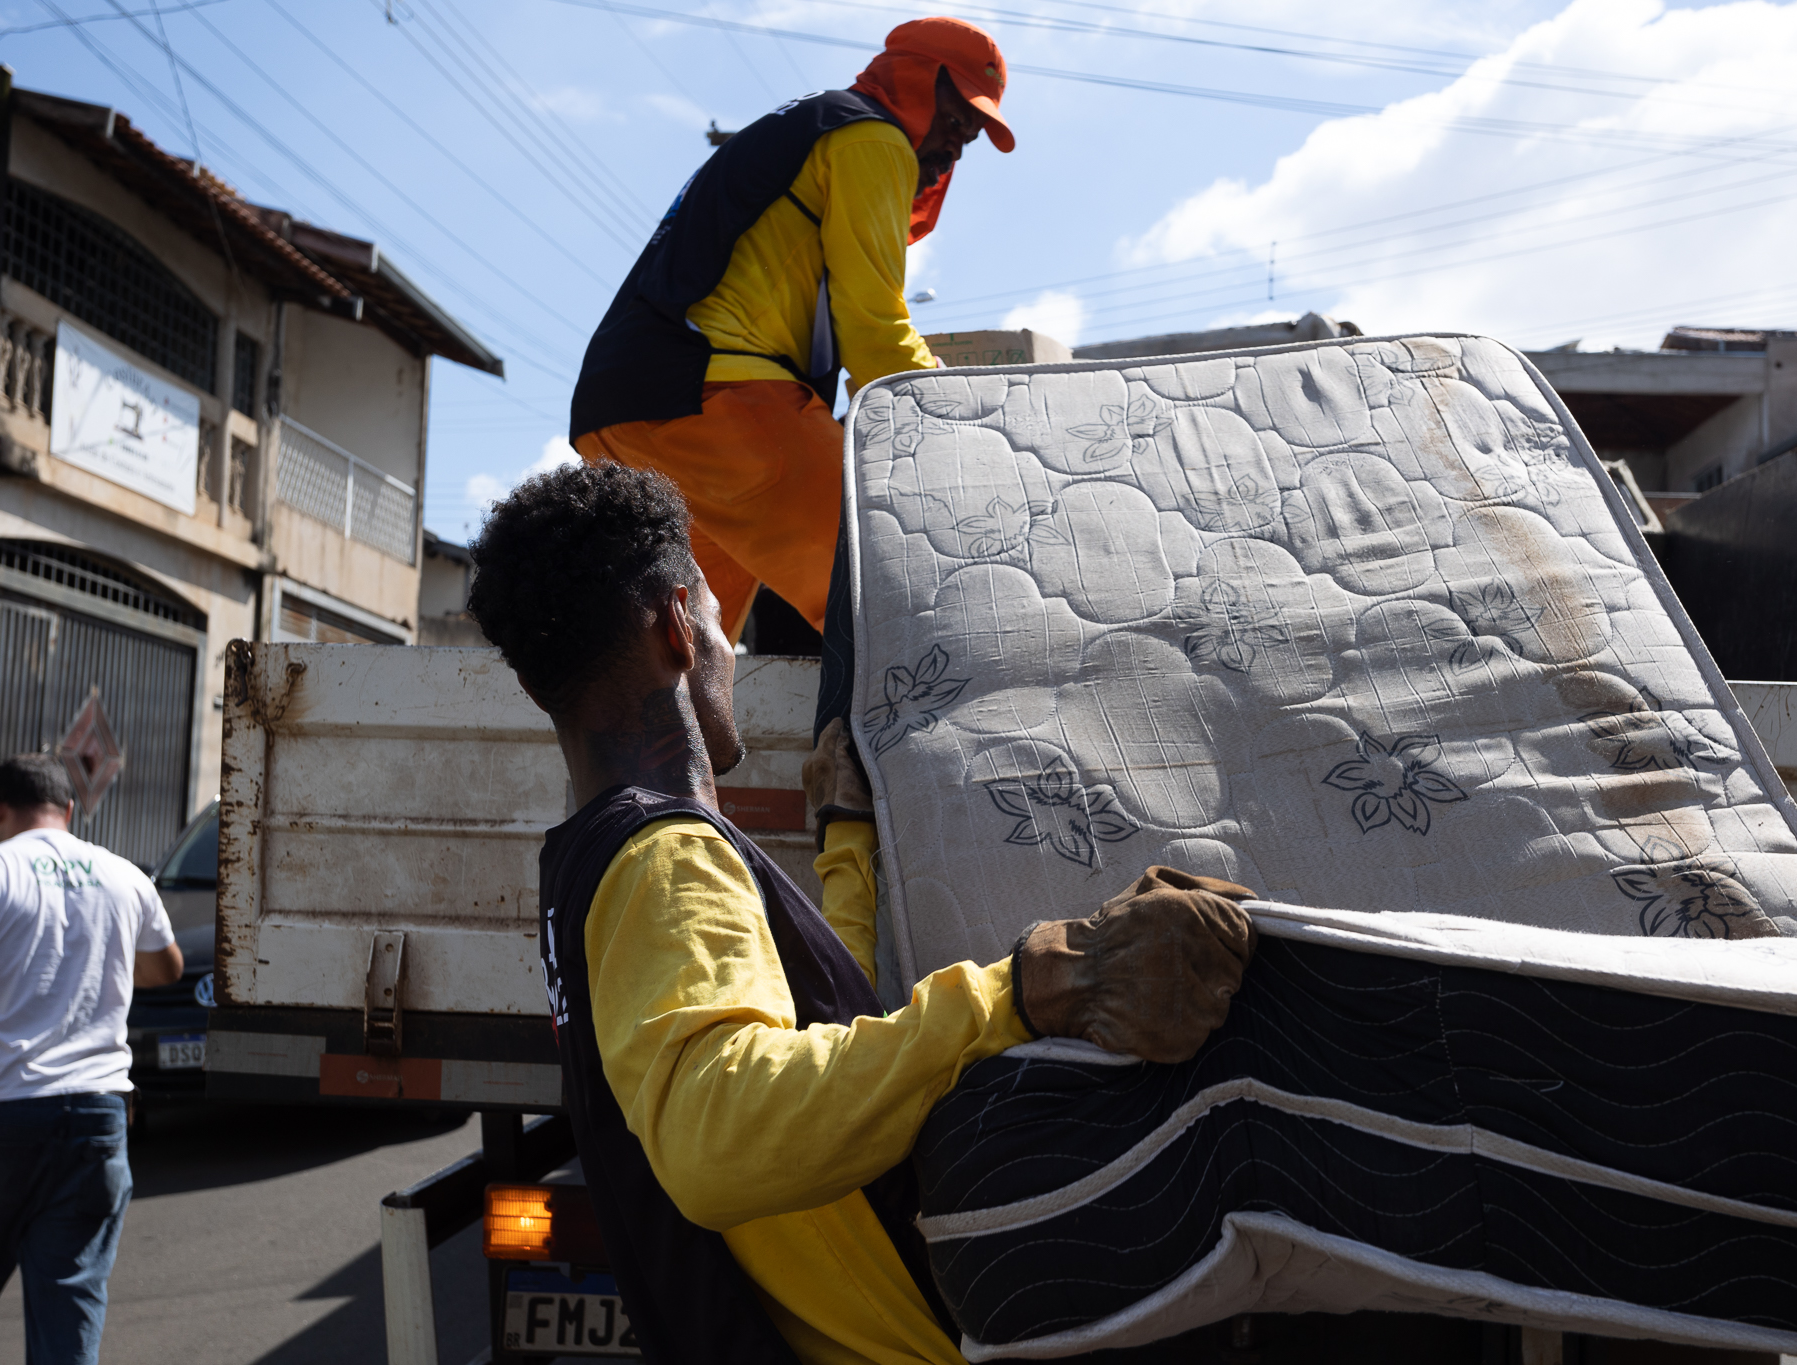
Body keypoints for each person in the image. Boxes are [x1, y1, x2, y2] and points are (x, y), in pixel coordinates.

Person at [467, 461, 1256, 1365]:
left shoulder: (596, 860)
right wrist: (1027, 992)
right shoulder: (664, 858)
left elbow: (806, 1029)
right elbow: (717, 1131)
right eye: (723, 623)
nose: (733, 653)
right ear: (679, 626)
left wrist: (845, 840)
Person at [570, 16, 1015, 644]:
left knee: (678, 655)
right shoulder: (873, 138)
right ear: (915, 78)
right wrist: (951, 427)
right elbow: (873, 328)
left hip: (620, 409)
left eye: (975, 129)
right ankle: (890, 744)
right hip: (714, 397)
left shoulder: (808, 126)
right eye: (958, 111)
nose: (960, 138)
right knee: (898, 586)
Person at [0, 755, 182, 1365]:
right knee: (70, 1304)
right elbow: (166, 967)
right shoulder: (124, 876)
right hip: (97, 1115)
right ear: (69, 810)